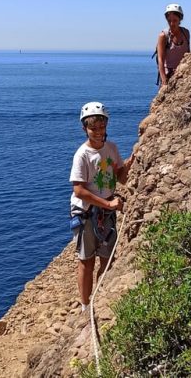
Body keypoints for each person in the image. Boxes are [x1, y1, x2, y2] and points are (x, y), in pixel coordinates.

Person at [69, 101, 134, 312]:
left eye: (101, 127)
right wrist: (108, 203)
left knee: (107, 257)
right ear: (85, 129)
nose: (98, 132)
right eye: (93, 128)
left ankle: (100, 296)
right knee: (86, 260)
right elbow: (78, 190)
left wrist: (130, 162)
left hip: (106, 210)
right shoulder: (82, 155)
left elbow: (119, 178)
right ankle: (86, 306)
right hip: (87, 211)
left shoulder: (111, 148)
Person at [155, 3, 191, 86]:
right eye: (169, 21)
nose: (172, 23)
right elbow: (160, 59)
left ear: (180, 19)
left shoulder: (185, 33)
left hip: (183, 73)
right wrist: (163, 79)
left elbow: (188, 54)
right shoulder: (163, 36)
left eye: (175, 20)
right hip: (168, 74)